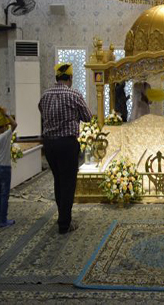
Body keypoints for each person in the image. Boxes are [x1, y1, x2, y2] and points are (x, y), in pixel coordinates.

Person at [38, 63, 92, 234]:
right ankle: (64, 224)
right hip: (67, 144)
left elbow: (41, 111)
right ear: (70, 78)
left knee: (58, 181)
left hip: (49, 144)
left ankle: (62, 216)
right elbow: (88, 117)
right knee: (68, 183)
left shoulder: (45, 95)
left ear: (56, 78)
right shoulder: (74, 94)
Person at [0, 106, 17, 228]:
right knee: (5, 195)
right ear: (2, 127)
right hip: (5, 168)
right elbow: (14, 124)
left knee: (0, 193)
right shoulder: (4, 136)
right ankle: (3, 220)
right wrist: (6, 114)